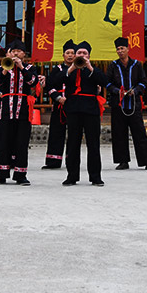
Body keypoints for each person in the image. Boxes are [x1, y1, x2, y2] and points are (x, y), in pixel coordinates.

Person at [105, 37, 147, 171]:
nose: (120, 51)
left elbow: (143, 82)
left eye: (122, 48)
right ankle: (123, 161)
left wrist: (135, 91)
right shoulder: (113, 65)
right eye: (118, 49)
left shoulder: (136, 64)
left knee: (139, 133)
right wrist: (117, 91)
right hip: (118, 104)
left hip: (134, 104)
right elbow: (107, 83)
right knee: (119, 133)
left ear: (127, 49)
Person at [0, 40, 37, 185]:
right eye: (13, 51)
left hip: (23, 108)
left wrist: (21, 67)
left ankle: (20, 175)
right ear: (8, 53)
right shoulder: (1, 68)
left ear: (24, 53)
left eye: (19, 51)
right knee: (3, 140)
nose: (16, 53)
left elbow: (32, 82)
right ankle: (2, 174)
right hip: (5, 109)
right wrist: (6, 69)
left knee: (22, 142)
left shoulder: (30, 68)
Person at [62, 41, 108, 187]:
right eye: (79, 53)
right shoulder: (68, 69)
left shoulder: (94, 69)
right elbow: (55, 81)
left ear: (89, 55)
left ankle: (95, 177)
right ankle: (71, 176)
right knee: (72, 144)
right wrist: (71, 68)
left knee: (93, 144)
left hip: (91, 110)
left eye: (85, 54)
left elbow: (105, 81)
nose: (82, 55)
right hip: (73, 109)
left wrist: (89, 67)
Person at [43, 40, 75, 169]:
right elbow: (50, 86)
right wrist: (58, 97)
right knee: (56, 132)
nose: (70, 56)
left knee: (73, 133)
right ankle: (53, 161)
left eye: (73, 53)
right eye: (67, 53)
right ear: (63, 55)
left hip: (73, 104)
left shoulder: (78, 69)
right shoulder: (57, 69)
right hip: (59, 104)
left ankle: (71, 161)